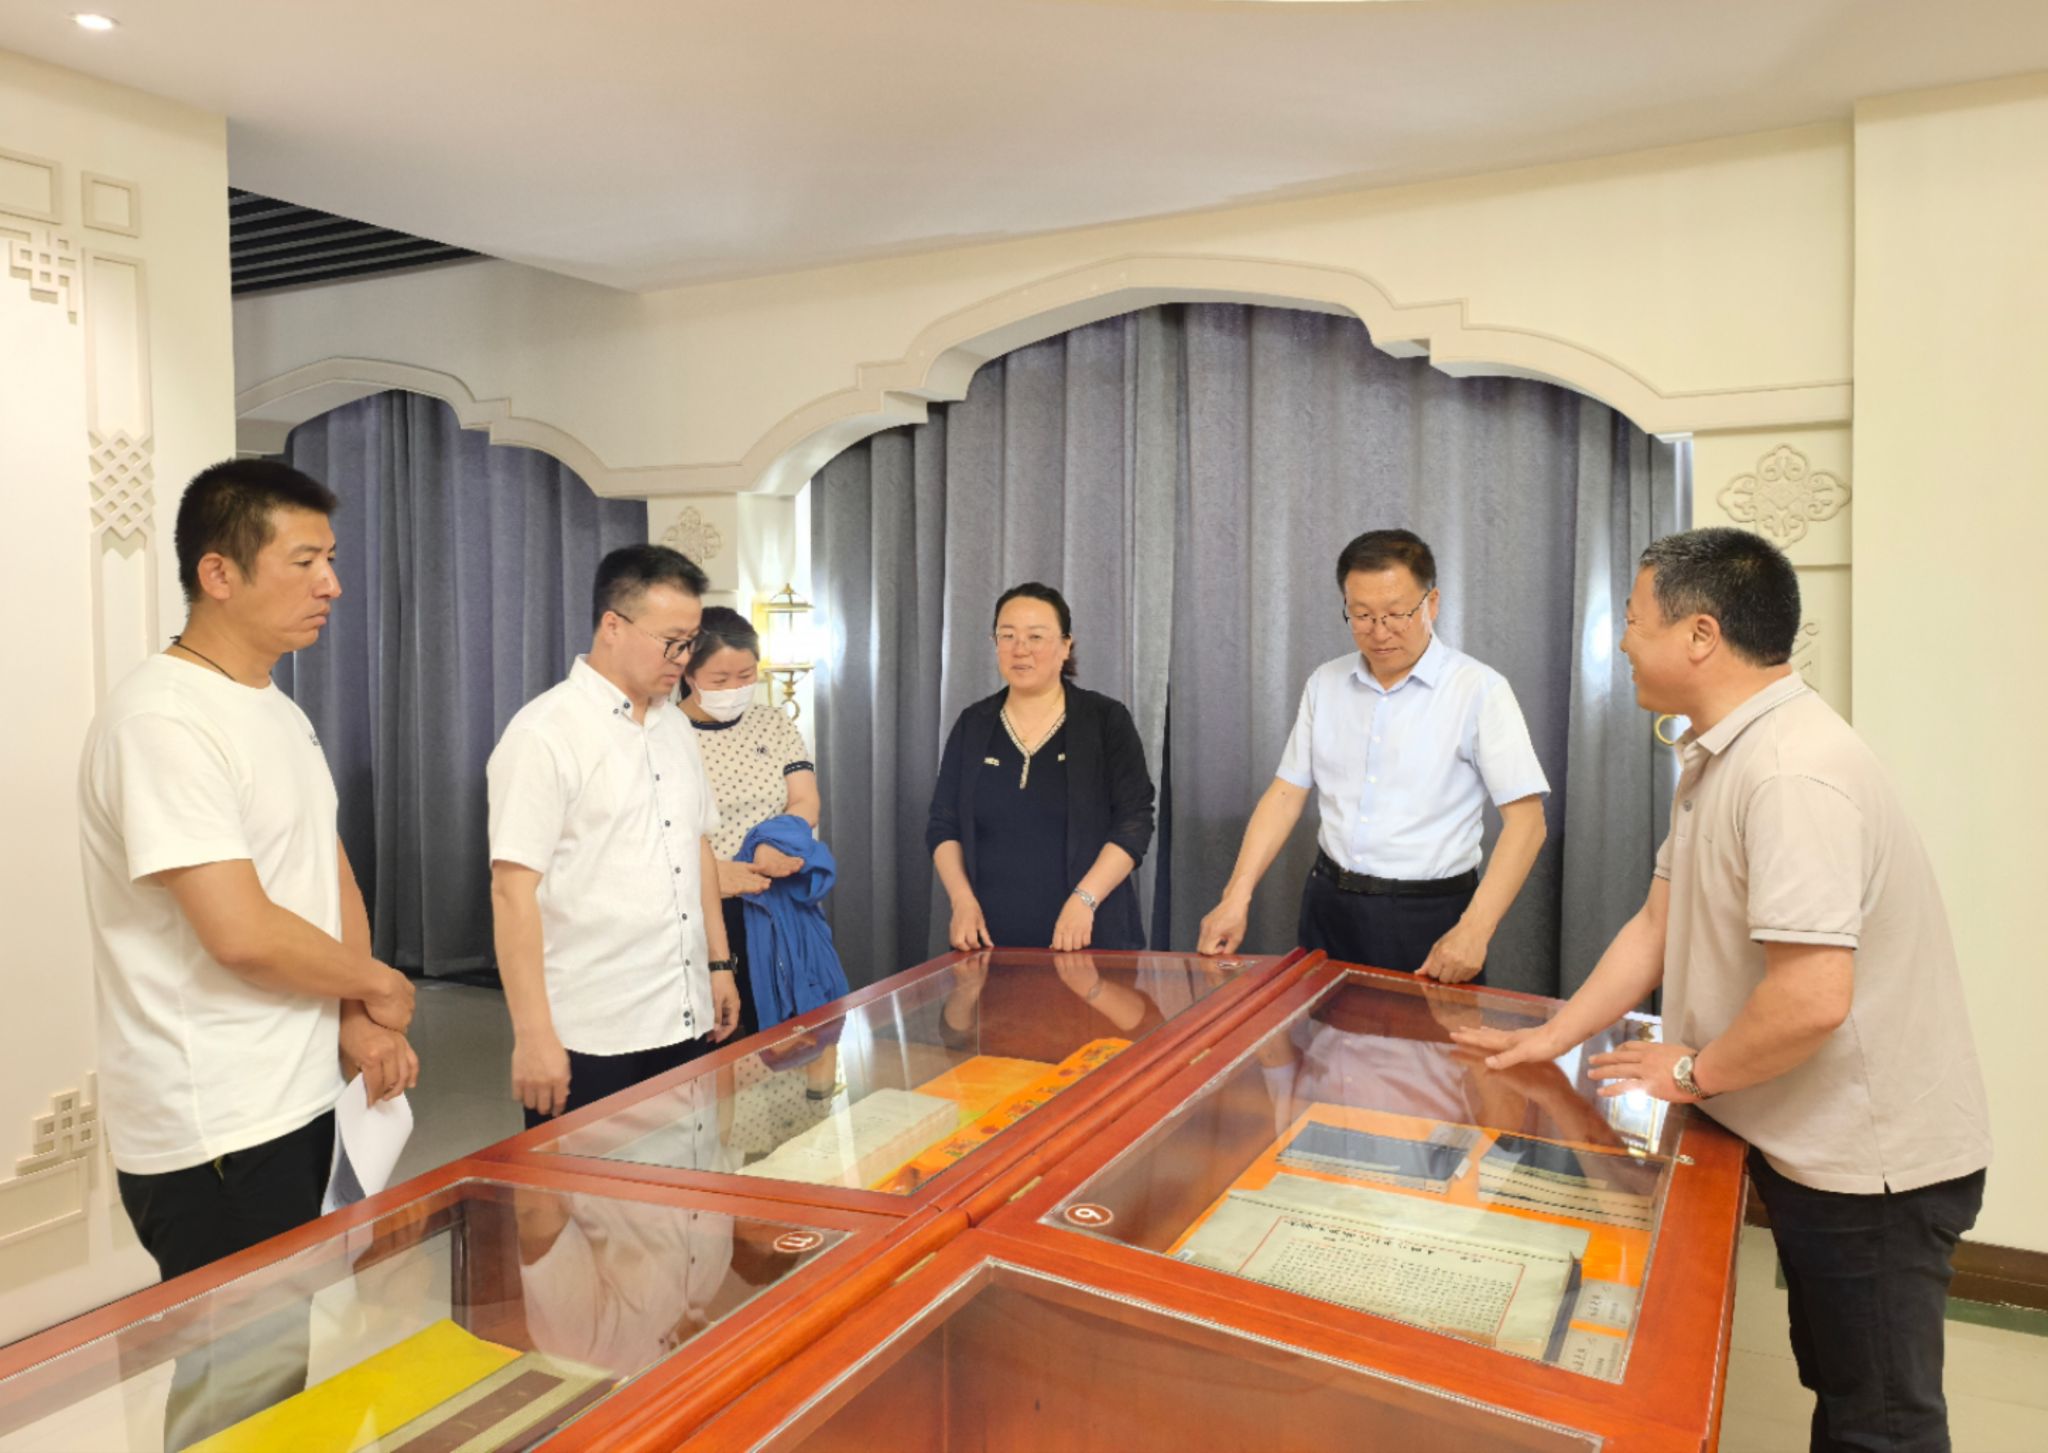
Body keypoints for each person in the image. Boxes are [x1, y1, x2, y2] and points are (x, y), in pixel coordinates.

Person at [1454, 527, 1992, 1453]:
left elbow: (1813, 998)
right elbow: (1654, 925)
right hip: (1809, 1140)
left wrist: (1688, 1072)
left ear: (1700, 634)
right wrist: (1555, 1034)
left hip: (1874, 1165)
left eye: (1634, 619)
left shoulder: (1791, 772)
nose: (1623, 640)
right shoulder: (1718, 752)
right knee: (1844, 1391)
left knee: (1882, 1424)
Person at [78, 460, 418, 1450]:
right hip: (215, 1117)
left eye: (332, 559)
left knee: (279, 1373)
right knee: (237, 1389)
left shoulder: (273, 703)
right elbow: (241, 930)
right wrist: (383, 982)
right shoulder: (162, 719)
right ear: (218, 572)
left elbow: (324, 867)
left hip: (293, 1088)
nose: (332, 584)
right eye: (305, 561)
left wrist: (356, 1017)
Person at [1196, 529, 1549, 983]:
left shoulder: (1479, 690)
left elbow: (1527, 822)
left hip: (1428, 916)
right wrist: (1236, 895)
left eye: (1396, 614)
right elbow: (1285, 794)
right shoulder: (1325, 683)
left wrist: (1475, 930)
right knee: (1315, 1028)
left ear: (1432, 603)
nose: (1380, 632)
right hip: (1329, 904)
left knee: (1426, 1033)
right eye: (1362, 615)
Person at [488, 544, 741, 1129]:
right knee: (587, 1186)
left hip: (684, 1012)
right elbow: (511, 892)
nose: (684, 659)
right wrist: (533, 1035)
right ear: (612, 625)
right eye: (671, 642)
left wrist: (718, 963)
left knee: (686, 1177)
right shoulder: (544, 734)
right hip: (592, 1030)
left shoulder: (676, 726)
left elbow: (696, 847)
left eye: (692, 642)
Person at [927, 583, 1156, 952]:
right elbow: (943, 823)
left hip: (1089, 932)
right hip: (989, 939)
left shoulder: (1105, 720)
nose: (1020, 649)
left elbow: (1135, 821)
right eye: (1007, 636)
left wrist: (1085, 899)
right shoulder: (974, 724)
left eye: (1036, 636)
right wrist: (961, 900)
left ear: (1065, 646)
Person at [678, 607, 830, 1034]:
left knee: (791, 1029)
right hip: (706, 902)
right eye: (720, 680)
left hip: (775, 887)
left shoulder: (773, 722)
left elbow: (805, 800)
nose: (735, 689)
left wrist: (769, 843)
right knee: (722, 1032)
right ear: (689, 674)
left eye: (746, 676)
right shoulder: (668, 732)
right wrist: (714, 874)